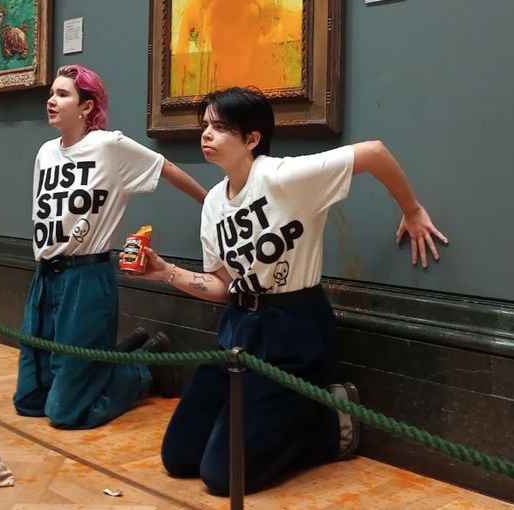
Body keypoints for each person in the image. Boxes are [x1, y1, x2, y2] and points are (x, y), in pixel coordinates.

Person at [138, 86, 447, 494]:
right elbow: (223, 286)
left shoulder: (284, 177)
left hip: (292, 331)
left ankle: (330, 417)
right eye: (205, 126)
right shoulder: (214, 202)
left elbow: (373, 152)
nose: (206, 135)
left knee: (221, 477)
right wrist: (166, 272)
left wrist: (412, 210)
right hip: (237, 331)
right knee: (178, 459)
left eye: (220, 127)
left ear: (251, 139)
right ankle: (261, 419)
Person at [13, 64, 206, 429]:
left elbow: (164, 167)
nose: (52, 101)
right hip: (45, 276)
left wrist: (210, 201)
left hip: (85, 278)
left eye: (63, 94)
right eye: (51, 94)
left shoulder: (108, 145)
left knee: (67, 414)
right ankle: (116, 357)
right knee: (29, 402)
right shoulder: (45, 153)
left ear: (87, 106)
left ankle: (146, 367)